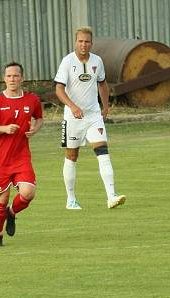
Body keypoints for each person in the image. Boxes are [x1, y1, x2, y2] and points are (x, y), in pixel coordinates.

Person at [54, 26, 125, 210]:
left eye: (87, 41)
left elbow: (102, 84)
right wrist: (72, 106)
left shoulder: (97, 61)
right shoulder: (67, 62)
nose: (83, 44)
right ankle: (71, 199)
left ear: (91, 43)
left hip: (93, 115)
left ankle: (111, 196)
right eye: (80, 41)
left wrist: (106, 105)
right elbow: (59, 90)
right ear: (75, 42)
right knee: (72, 156)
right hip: (73, 118)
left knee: (103, 152)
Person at [0, 61, 43, 247]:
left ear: (22, 78)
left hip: (21, 156)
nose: (12, 79)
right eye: (9, 76)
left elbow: (39, 118)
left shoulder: (32, 100)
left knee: (28, 192)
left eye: (16, 75)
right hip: (0, 159)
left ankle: (12, 213)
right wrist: (3, 128)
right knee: (2, 198)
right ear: (4, 79)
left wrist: (35, 129)